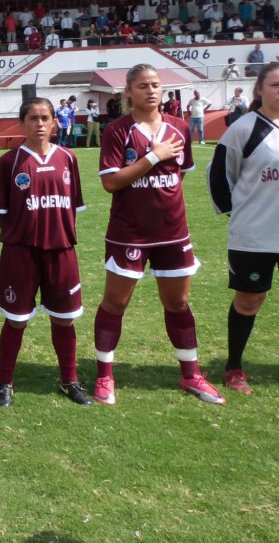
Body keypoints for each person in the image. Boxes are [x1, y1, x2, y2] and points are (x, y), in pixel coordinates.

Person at [93, 64, 224, 406]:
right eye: (142, 86)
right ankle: (105, 376)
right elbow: (110, 182)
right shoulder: (118, 131)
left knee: (177, 302)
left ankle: (191, 374)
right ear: (129, 93)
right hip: (129, 234)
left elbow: (180, 175)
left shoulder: (180, 128)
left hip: (173, 232)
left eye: (155, 85)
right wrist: (153, 155)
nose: (150, 91)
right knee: (115, 303)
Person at [0, 98, 91, 407]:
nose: (39, 123)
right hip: (20, 252)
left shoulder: (68, 158)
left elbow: (73, 206)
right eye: (32, 117)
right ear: (22, 123)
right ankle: (5, 382)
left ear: (54, 122)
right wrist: (22, 231)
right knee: (16, 320)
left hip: (61, 249)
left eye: (45, 117)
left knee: (64, 318)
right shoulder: (8, 162)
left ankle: (69, 380)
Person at [208, 62, 279, 395]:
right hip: (255, 235)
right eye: (276, 84)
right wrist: (240, 214)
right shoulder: (245, 128)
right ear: (260, 89)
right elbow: (220, 176)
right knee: (250, 301)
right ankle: (234, 367)